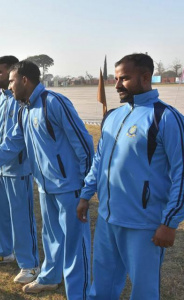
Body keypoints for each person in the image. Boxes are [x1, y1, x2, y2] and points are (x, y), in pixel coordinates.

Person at [0, 61, 93, 298]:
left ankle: (78, 293)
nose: (8, 86)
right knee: (51, 237)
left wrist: (87, 188)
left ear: (25, 80)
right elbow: (12, 143)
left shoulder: (55, 103)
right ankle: (50, 278)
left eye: (11, 81)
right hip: (45, 185)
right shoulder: (24, 109)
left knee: (74, 243)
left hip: (70, 186)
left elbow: (83, 144)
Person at [77, 53, 184, 300]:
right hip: (107, 219)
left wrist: (169, 223)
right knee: (102, 285)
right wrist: (85, 194)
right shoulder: (113, 116)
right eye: (115, 79)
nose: (116, 85)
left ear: (145, 78)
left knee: (144, 291)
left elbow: (181, 173)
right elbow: (100, 160)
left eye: (124, 78)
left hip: (143, 224)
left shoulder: (165, 117)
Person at [0, 56, 40, 284]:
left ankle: (30, 264)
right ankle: (4, 252)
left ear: (13, 74)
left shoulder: (22, 100)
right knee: (1, 214)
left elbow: (17, 139)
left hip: (18, 168)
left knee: (21, 218)